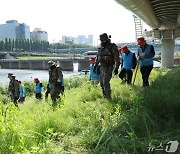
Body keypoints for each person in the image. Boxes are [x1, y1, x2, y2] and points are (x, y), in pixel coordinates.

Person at [94, 33, 120, 100]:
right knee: (102, 83)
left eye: (103, 40)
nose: (102, 41)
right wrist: (95, 65)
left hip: (110, 66)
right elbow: (98, 56)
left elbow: (116, 58)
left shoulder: (112, 46)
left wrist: (116, 67)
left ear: (107, 39)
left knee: (106, 81)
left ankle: (109, 98)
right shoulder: (100, 47)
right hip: (102, 66)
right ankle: (105, 97)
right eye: (101, 40)